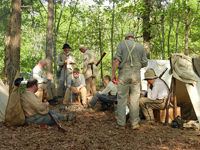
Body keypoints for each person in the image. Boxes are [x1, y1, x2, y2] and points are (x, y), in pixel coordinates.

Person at [112, 33, 148, 130]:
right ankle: (134, 123)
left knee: (122, 99)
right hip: (136, 74)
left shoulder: (121, 44)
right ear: (133, 39)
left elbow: (116, 61)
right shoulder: (140, 47)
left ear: (126, 39)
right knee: (135, 99)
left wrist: (113, 74)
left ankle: (121, 124)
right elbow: (145, 62)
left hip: (123, 73)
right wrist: (136, 68)